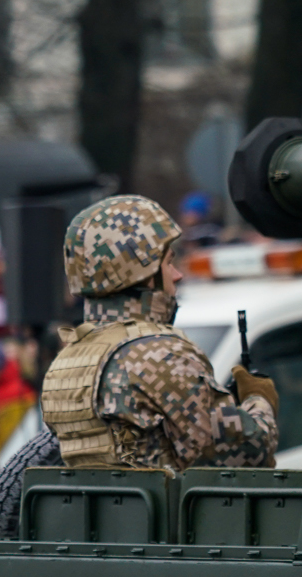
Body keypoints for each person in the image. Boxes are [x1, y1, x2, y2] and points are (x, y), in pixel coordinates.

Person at [40, 194, 277, 473]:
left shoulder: (66, 361)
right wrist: (259, 401)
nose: (177, 274)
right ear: (143, 271)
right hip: (167, 516)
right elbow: (244, 452)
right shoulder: (159, 354)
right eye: (167, 263)